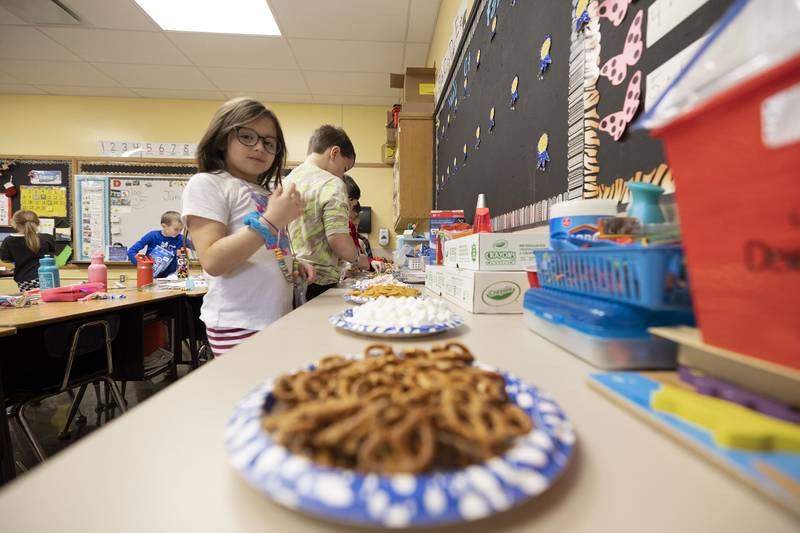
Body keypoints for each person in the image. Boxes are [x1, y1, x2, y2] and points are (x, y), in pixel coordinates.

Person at [181, 97, 313, 356]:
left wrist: (291, 263)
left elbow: (263, 249)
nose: (259, 148)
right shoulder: (207, 183)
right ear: (222, 139)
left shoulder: (263, 191)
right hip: (239, 323)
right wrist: (271, 220)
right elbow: (213, 260)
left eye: (269, 142)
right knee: (251, 395)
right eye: (247, 136)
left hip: (275, 317)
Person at [285, 125, 369, 300]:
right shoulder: (332, 183)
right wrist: (357, 258)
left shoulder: (288, 180)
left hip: (292, 277)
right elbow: (337, 239)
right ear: (334, 152)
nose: (342, 176)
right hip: (320, 281)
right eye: (344, 169)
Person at [0, 210, 57, 292]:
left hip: (25, 280)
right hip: (48, 277)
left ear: (14, 223)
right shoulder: (47, 238)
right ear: (37, 223)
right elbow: (52, 255)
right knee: (50, 301)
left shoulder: (9, 241)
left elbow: (5, 259)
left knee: (31, 302)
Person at [126, 211, 184, 278]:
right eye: (176, 229)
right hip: (149, 278)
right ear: (164, 226)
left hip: (171, 279)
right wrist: (143, 265)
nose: (179, 232)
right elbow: (131, 252)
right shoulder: (152, 236)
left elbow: (196, 247)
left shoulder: (181, 238)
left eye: (181, 230)